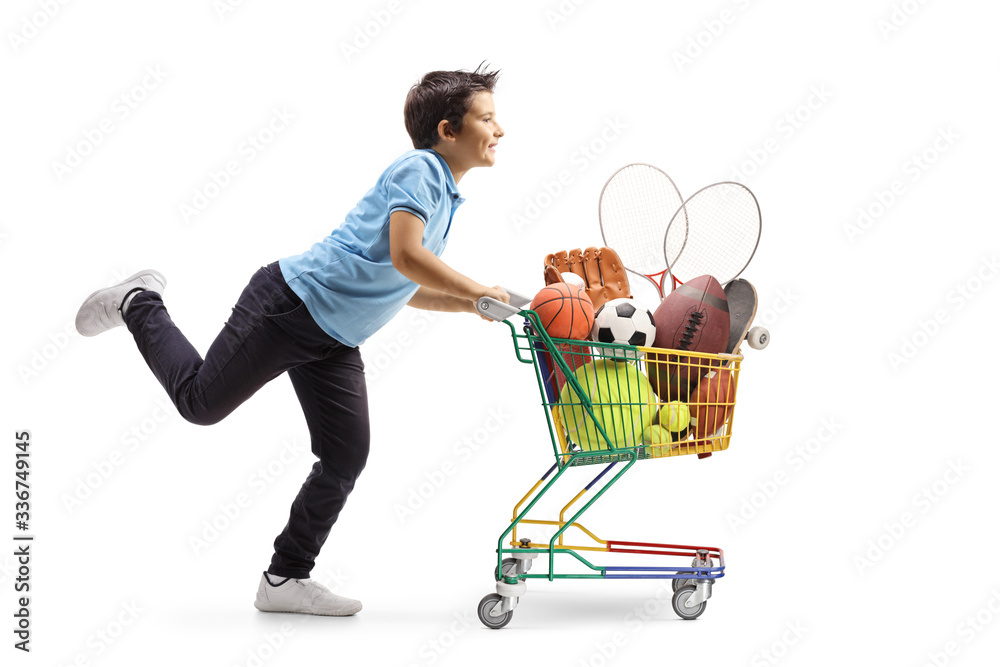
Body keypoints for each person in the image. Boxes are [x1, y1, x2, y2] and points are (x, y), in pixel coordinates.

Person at [74, 64, 508, 616]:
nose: (500, 130)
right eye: (488, 118)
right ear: (448, 130)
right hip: (289, 305)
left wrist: (474, 304)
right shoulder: (421, 169)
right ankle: (139, 303)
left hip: (333, 339)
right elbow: (407, 259)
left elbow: (401, 283)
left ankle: (283, 579)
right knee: (201, 404)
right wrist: (476, 289)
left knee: (346, 455)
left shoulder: (446, 198)